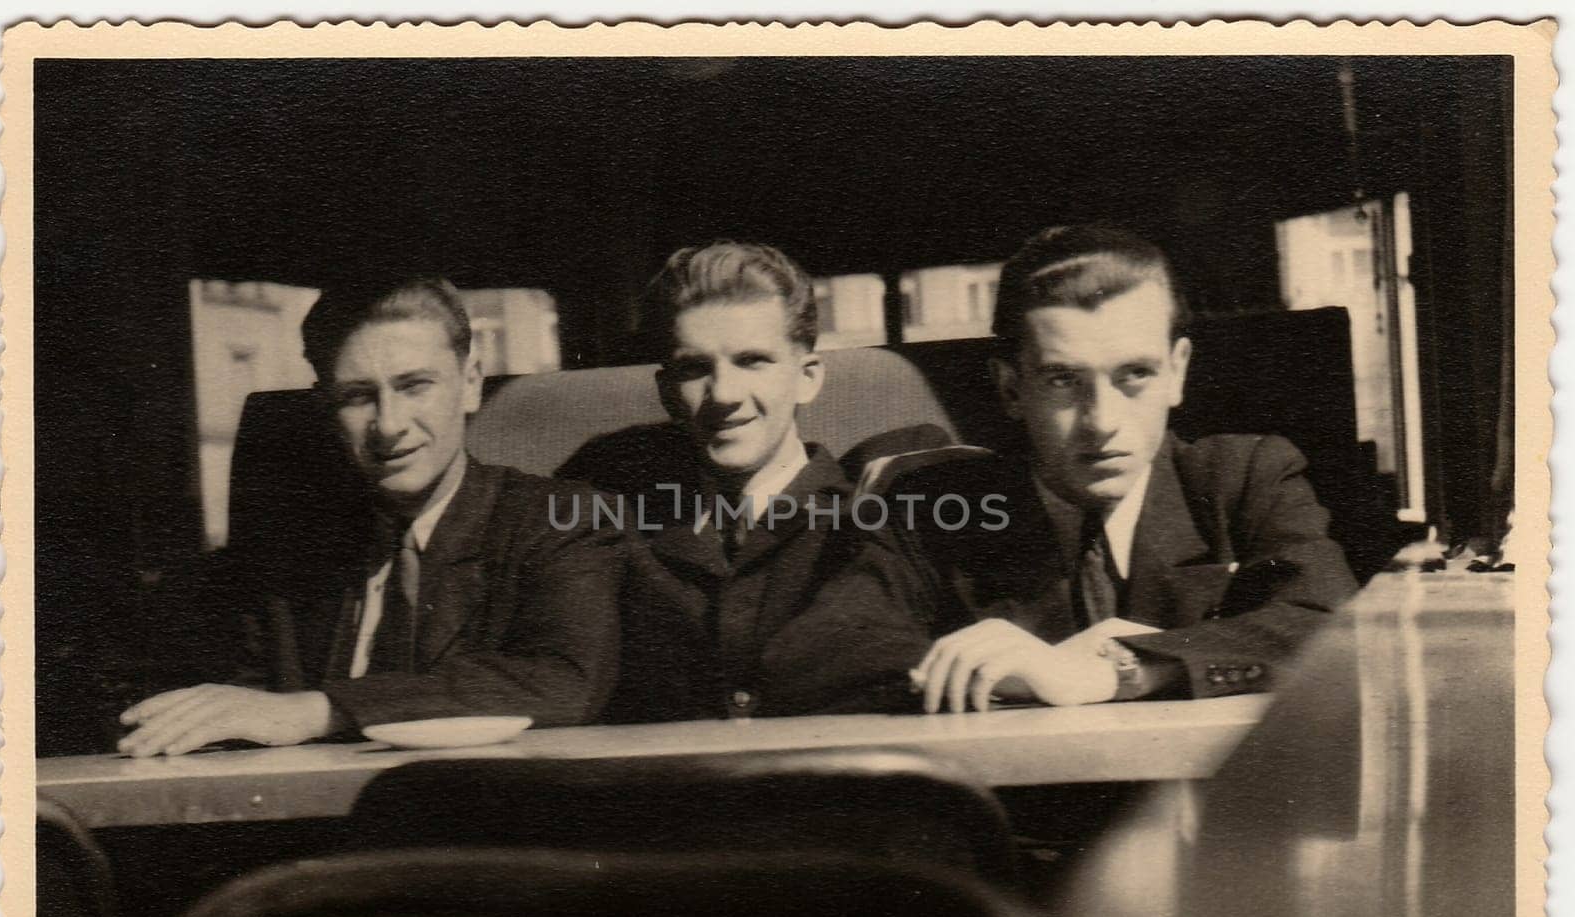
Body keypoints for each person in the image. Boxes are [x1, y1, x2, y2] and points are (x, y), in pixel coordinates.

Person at [765, 224, 1358, 713]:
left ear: (1177, 372)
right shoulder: (937, 508)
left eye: (1135, 376)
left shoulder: (1242, 477)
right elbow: (816, 656)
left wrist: (1121, 668)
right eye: (1062, 381)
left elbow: (1333, 627)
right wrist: (1005, 672)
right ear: (1011, 389)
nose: (1101, 421)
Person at [118, 277, 625, 756]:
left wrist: (323, 710)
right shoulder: (287, 552)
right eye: (357, 396)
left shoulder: (559, 519)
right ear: (326, 406)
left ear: (470, 382)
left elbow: (564, 680)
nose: (389, 426)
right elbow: (231, 703)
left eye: (414, 386)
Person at [558, 241, 946, 721]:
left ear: (807, 377)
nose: (724, 394)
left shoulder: (876, 523)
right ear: (666, 392)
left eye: (752, 361)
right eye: (695, 368)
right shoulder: (615, 523)